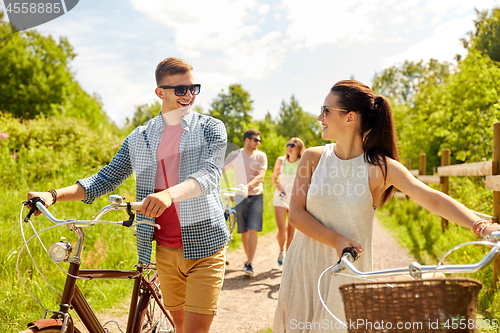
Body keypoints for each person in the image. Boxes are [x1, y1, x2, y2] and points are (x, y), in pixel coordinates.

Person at [273, 80, 499, 332]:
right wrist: (336, 239)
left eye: (326, 110)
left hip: (347, 273)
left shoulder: (380, 168)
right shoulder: (312, 158)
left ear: (350, 118)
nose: (319, 116)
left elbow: (432, 198)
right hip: (304, 266)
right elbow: (296, 214)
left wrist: (482, 227)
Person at [27, 57, 229, 333]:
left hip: (205, 245)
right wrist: (52, 195)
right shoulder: (141, 137)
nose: (189, 95)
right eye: (180, 89)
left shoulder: (210, 128)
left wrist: (169, 194)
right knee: (180, 326)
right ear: (160, 93)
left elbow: (210, 174)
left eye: (194, 88)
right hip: (164, 248)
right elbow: (105, 179)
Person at [223, 129, 267, 276]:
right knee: (244, 231)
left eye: (259, 140)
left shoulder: (261, 156)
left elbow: (260, 176)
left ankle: (250, 262)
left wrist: (247, 187)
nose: (258, 143)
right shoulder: (236, 155)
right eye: (256, 140)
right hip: (240, 197)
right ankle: (248, 260)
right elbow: (222, 169)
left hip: (256, 196)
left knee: (253, 229)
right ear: (247, 140)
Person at [272, 137, 305, 266]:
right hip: (280, 198)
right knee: (282, 230)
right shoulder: (281, 161)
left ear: (298, 148)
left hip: (295, 200)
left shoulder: (303, 161)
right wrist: (281, 188)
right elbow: (275, 180)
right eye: (288, 144)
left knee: (291, 231)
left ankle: (288, 259)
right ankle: (281, 251)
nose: (289, 147)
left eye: (293, 145)